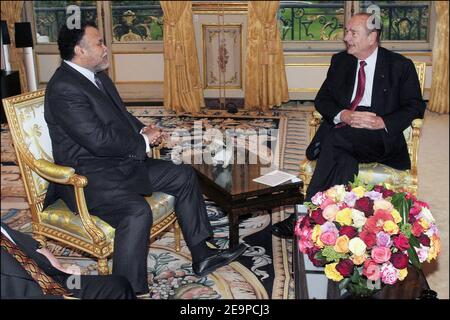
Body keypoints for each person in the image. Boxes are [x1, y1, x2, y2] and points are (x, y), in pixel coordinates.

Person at [43, 22, 246, 295]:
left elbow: (120, 115)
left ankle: (202, 253)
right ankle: (127, 290)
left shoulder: (96, 76)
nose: (106, 49)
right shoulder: (63, 89)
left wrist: (142, 129)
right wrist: (142, 141)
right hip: (89, 177)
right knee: (136, 212)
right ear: (80, 50)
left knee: (183, 175)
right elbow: (98, 140)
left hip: (119, 164)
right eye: (100, 43)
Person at [272, 13, 426, 238]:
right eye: (347, 32)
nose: (346, 37)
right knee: (343, 158)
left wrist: (382, 122)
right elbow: (322, 100)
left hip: (379, 137)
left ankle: (305, 212)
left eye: (353, 33)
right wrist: (343, 115)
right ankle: (330, 223)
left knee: (334, 140)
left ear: (372, 37)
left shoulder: (400, 65)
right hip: (345, 130)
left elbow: (415, 106)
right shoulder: (341, 61)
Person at [1, 222, 136, 299]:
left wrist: (48, 256)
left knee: (118, 285)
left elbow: (13, 238)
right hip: (32, 293)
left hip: (53, 280)